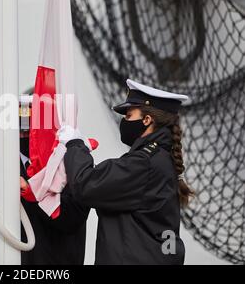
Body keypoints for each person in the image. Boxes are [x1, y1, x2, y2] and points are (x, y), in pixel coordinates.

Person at [59, 79, 195, 265]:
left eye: (129, 116)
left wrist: (74, 145)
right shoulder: (159, 158)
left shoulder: (144, 163)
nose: (124, 121)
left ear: (147, 120)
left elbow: (86, 184)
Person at [0, 95, 90, 265]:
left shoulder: (69, 165)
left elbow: (74, 219)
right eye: (19, 130)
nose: (24, 136)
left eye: (30, 130)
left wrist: (34, 191)